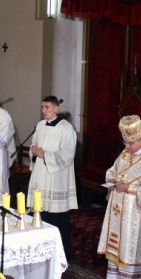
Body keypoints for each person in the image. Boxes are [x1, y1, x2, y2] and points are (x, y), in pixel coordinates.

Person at [97, 115, 141, 279]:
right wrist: (111, 180)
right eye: (125, 142)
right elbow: (112, 170)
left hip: (134, 210)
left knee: (129, 241)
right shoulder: (125, 153)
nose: (126, 146)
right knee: (117, 240)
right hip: (118, 204)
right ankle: (115, 274)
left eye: (130, 143)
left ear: (140, 140)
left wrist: (129, 188)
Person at [27, 95, 79, 258]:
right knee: (39, 211)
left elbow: (68, 154)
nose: (44, 110)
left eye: (47, 107)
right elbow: (34, 145)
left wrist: (45, 155)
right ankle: (38, 249)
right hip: (40, 175)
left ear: (56, 108)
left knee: (56, 215)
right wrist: (34, 152)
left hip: (55, 178)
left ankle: (59, 253)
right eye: (42, 107)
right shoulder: (40, 125)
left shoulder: (66, 128)